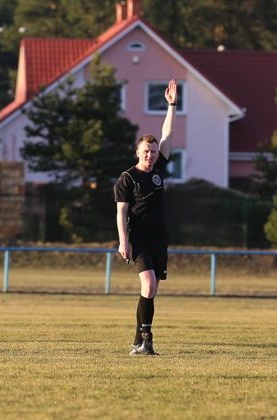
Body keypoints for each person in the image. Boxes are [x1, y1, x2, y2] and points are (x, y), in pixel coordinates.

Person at [114, 79, 177, 356]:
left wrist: (172, 106)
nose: (151, 155)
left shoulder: (158, 169)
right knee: (148, 284)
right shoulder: (127, 178)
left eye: (153, 151)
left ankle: (138, 342)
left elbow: (167, 134)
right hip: (138, 237)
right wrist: (123, 241)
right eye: (146, 151)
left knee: (151, 291)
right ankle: (147, 339)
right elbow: (121, 212)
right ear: (137, 153)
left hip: (159, 236)